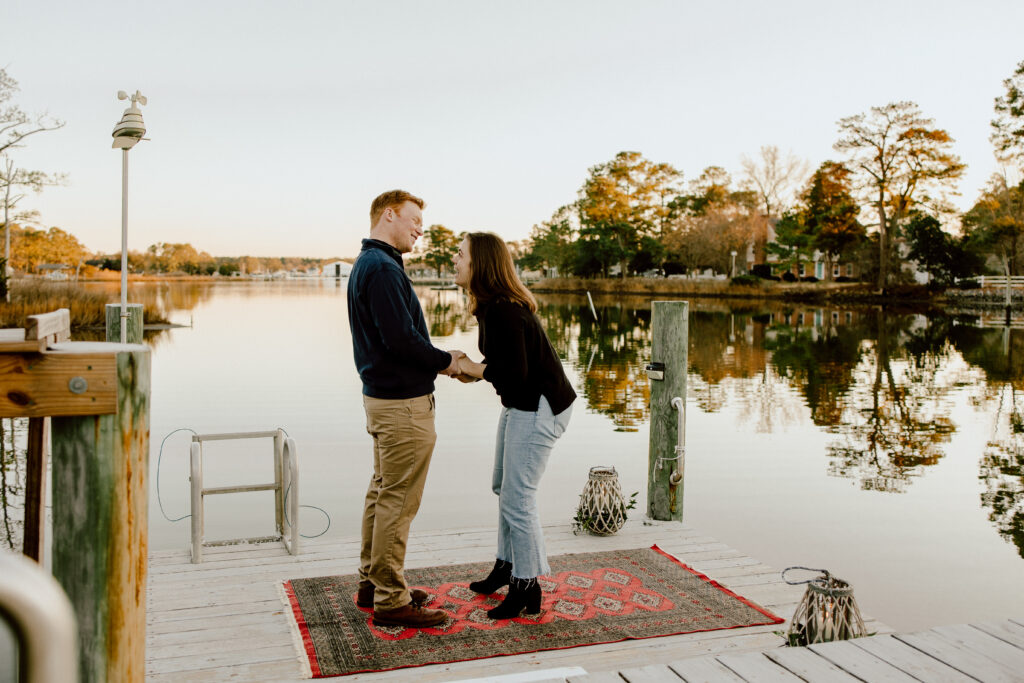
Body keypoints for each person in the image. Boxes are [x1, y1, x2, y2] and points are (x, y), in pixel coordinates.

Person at [347, 189, 463, 628]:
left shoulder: (371, 264)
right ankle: (391, 601)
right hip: (402, 406)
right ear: (389, 214)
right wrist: (448, 362)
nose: (420, 228)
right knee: (398, 500)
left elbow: (394, 339)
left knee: (382, 493)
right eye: (414, 219)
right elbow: (402, 342)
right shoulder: (380, 268)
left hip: (382, 399)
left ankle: (373, 583)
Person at [450, 232, 576, 619]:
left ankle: (527, 583)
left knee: (518, 497)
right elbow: (507, 369)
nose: (454, 259)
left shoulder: (504, 309)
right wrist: (474, 371)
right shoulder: (491, 306)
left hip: (540, 406)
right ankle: (507, 566)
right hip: (523, 401)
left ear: (480, 264)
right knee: (503, 487)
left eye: (460, 254)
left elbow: (516, 373)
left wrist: (474, 367)